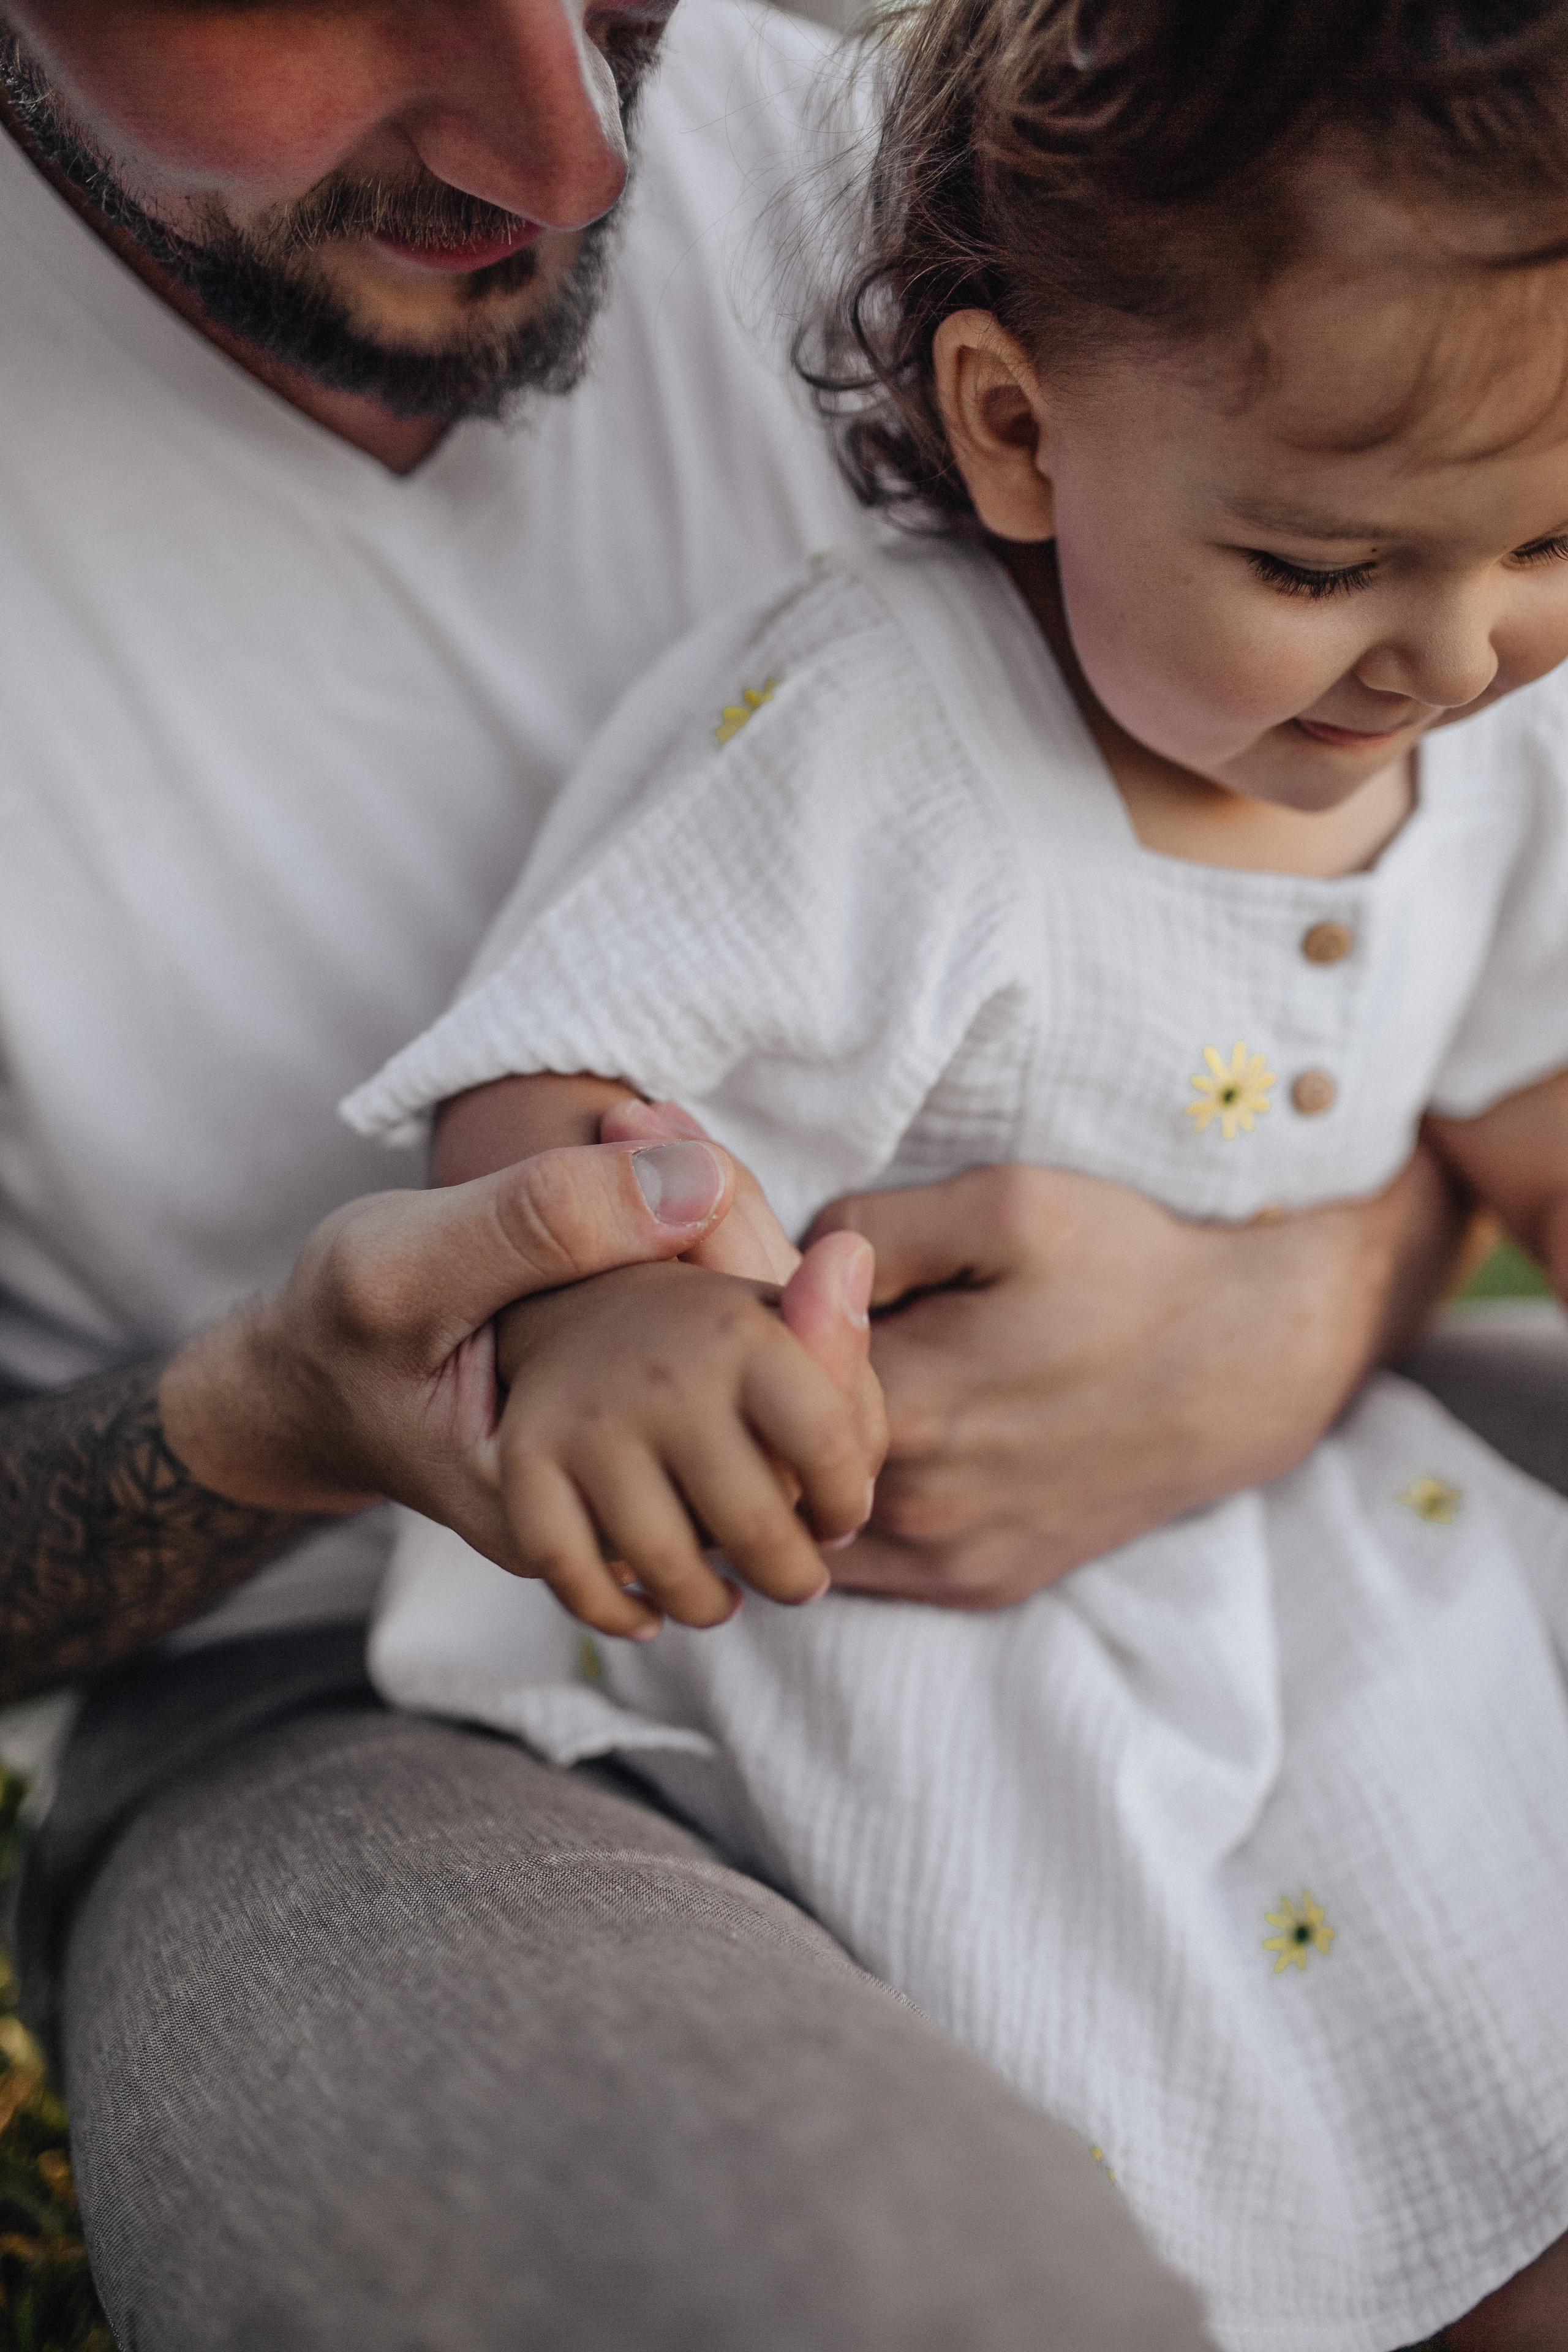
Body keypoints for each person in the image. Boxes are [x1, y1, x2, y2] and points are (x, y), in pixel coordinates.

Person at [0, 0, 1490, 2343]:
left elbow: (1419, 932)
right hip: (355, 1694)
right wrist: (287, 1411)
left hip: (1278, 1539)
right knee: (829, 2283)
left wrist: (1298, 1313)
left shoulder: (1068, 198)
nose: (586, 154)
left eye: (614, 1)